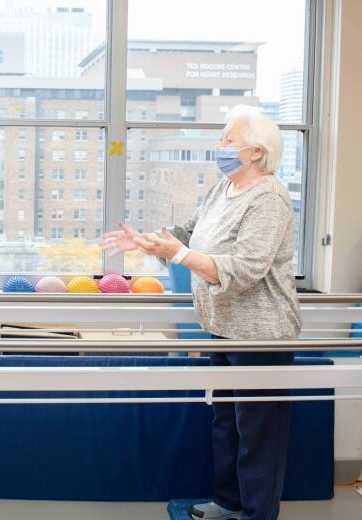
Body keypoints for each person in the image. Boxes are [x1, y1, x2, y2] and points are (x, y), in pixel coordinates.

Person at [101, 104, 301, 520]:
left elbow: (245, 269)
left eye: (229, 140)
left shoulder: (269, 199)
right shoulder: (223, 189)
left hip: (260, 335)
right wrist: (153, 243)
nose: (220, 147)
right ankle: (229, 503)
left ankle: (258, 515)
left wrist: (182, 253)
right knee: (225, 423)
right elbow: (190, 232)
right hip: (223, 326)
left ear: (256, 153)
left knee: (259, 436)